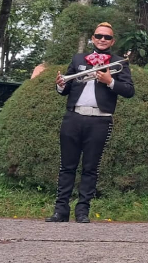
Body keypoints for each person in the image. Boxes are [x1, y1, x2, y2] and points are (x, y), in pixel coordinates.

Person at [47, 22, 134, 223]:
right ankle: (61, 211)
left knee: (90, 167)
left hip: (100, 119)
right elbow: (66, 88)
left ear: (112, 41)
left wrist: (110, 82)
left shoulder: (120, 62)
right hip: (73, 116)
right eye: (99, 36)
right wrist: (60, 86)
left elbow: (129, 91)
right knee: (67, 166)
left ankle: (82, 211)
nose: (102, 40)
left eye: (107, 37)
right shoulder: (78, 59)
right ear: (93, 38)